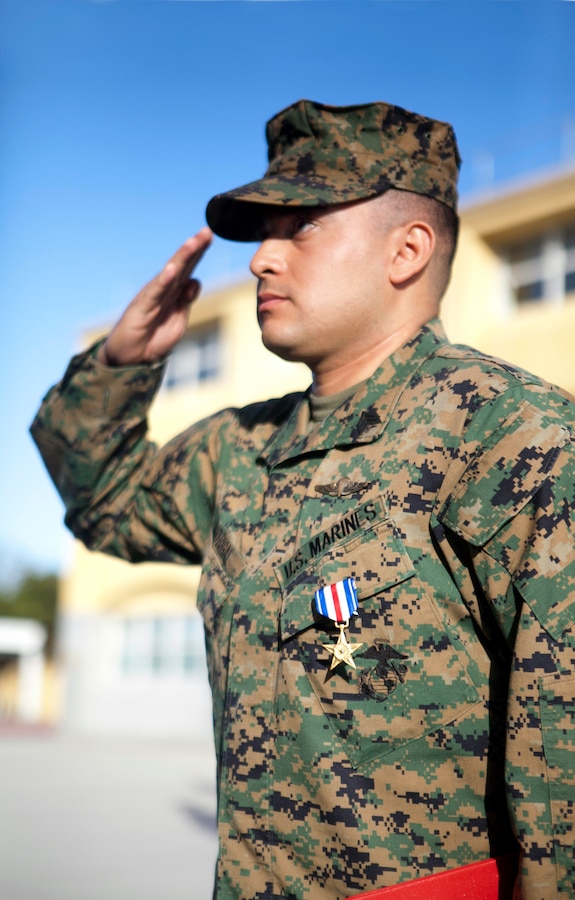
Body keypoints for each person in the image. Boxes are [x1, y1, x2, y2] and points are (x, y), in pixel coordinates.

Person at [31, 99, 575, 900]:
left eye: (302, 227)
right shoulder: (240, 449)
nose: (261, 260)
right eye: (263, 234)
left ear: (407, 250)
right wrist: (118, 367)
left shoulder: (513, 437)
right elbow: (105, 501)